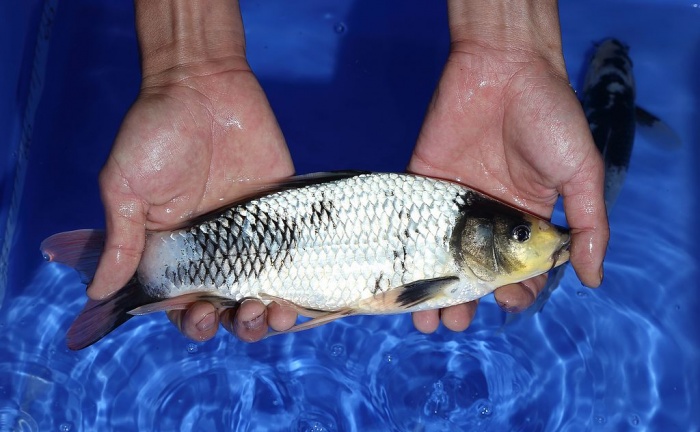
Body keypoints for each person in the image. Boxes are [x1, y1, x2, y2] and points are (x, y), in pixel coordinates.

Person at [86, 0, 608, 343]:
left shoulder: (459, 242)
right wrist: (187, 69)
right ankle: (153, 276)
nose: (541, 239)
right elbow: (405, 295)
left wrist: (188, 65)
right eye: (520, 233)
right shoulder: (457, 264)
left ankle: (159, 275)